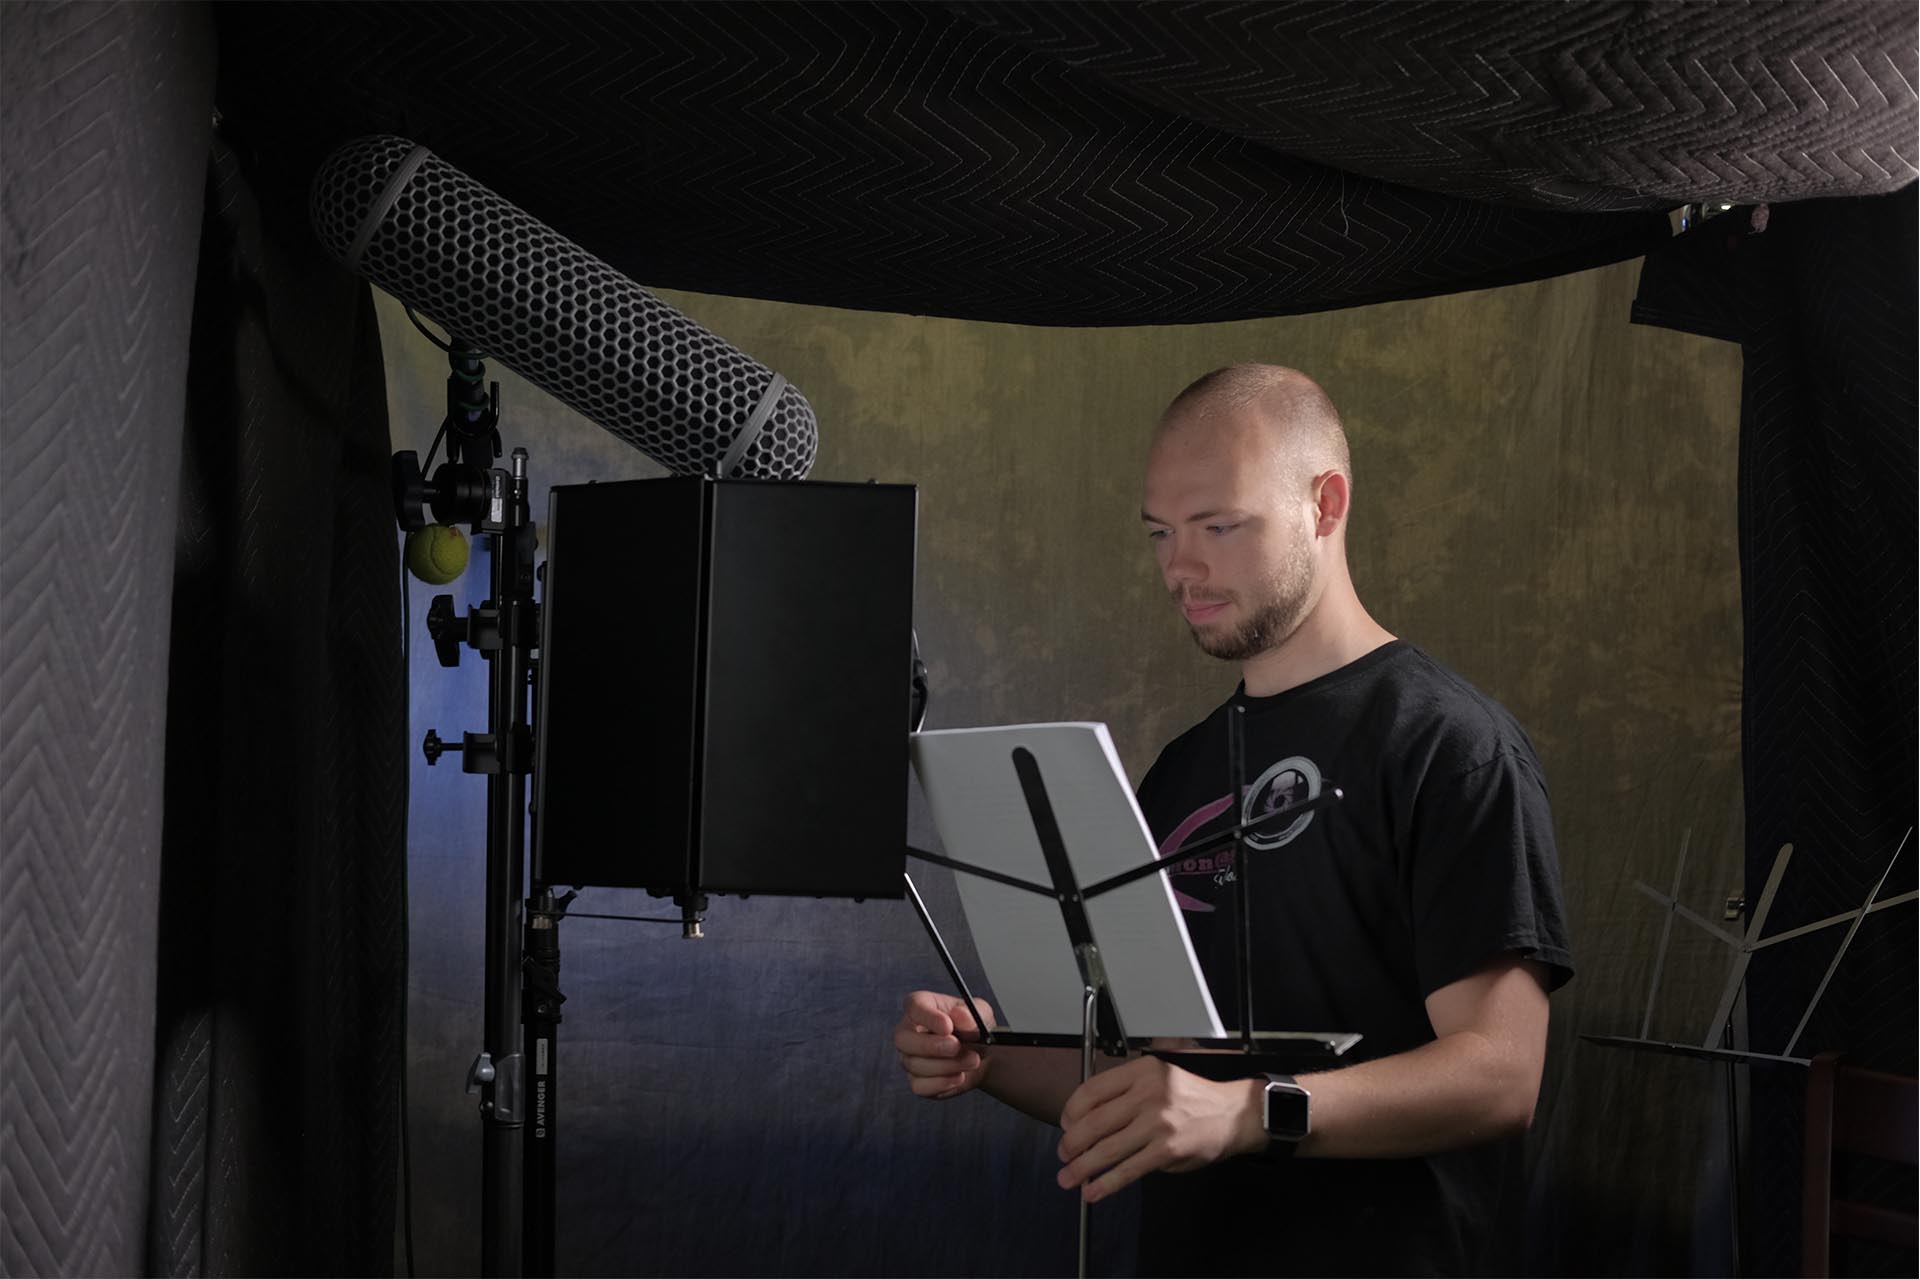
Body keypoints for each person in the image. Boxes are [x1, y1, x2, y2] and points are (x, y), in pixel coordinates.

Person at [892, 364, 1574, 1276]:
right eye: (1161, 533)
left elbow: (1500, 1074)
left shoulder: (1451, 746)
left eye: (1218, 526)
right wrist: (990, 1055)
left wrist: (1250, 1113)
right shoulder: (1184, 770)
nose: (1180, 567)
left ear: (1325, 505)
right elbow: (1152, 1077)